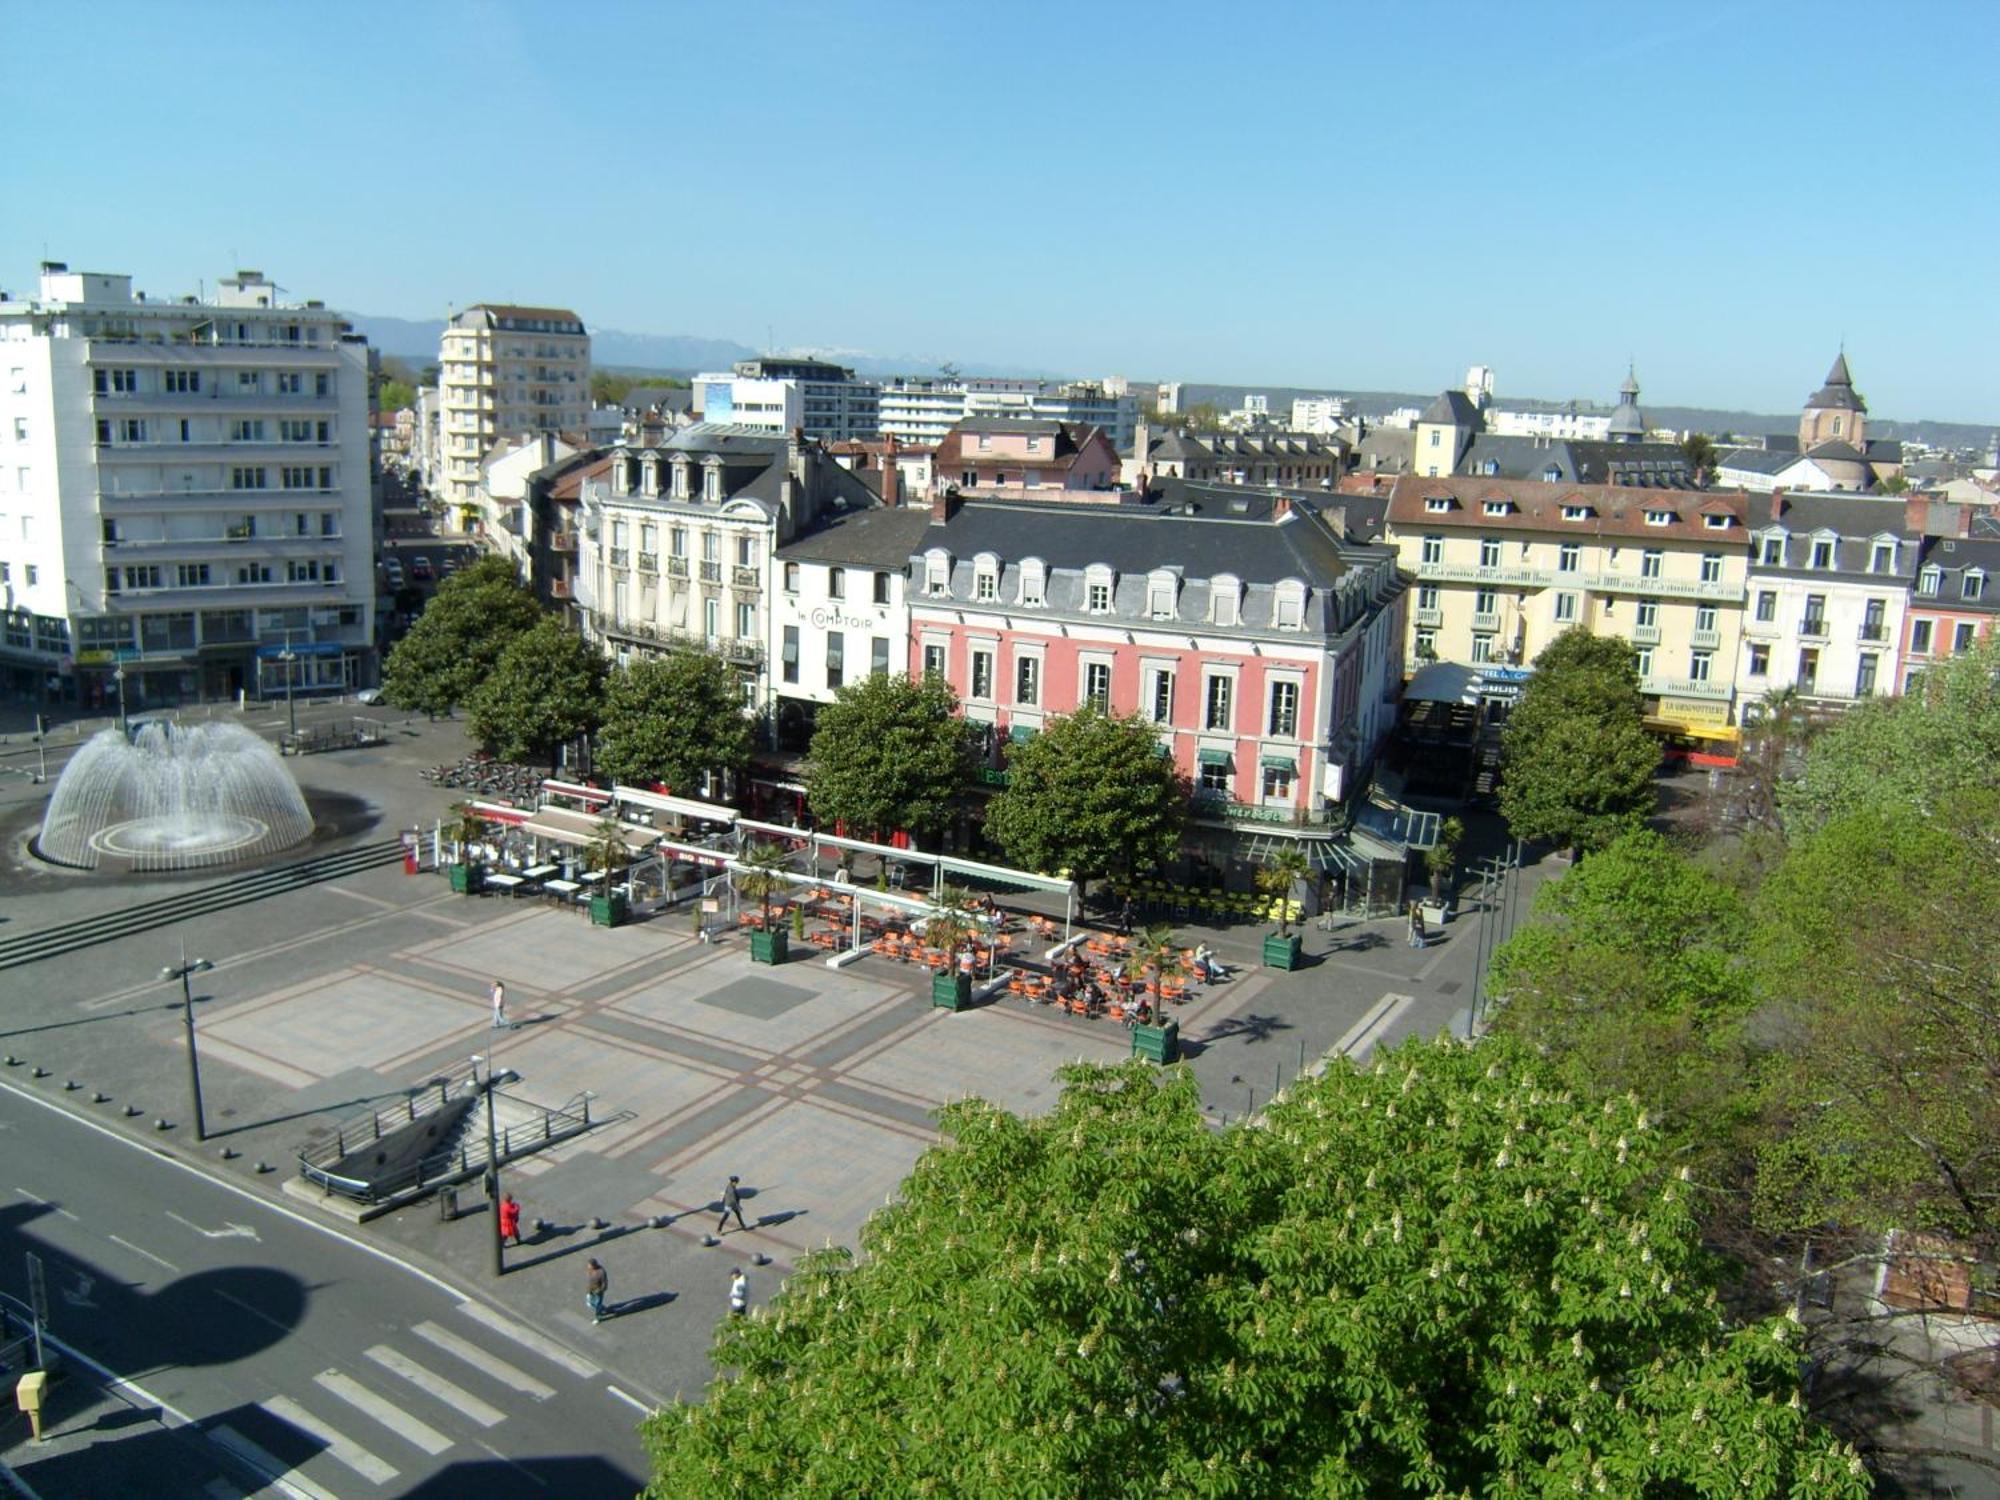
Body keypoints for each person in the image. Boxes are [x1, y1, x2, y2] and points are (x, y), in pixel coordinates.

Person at [585, 1258, 608, 1323]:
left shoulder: (601, 1272)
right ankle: (602, 1308)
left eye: (589, 1265)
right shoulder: (590, 1270)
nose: (588, 1266)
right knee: (589, 1303)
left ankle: (597, 1318)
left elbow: (604, 1283)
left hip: (598, 1291)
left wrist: (600, 1290)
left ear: (593, 1265)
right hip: (590, 1289)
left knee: (597, 1304)